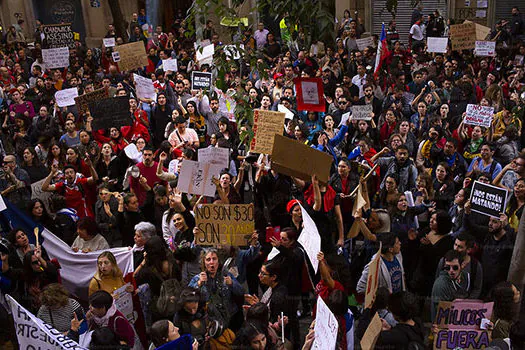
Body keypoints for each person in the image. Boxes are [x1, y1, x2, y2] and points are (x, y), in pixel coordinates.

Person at [189, 248, 244, 331]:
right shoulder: (198, 278)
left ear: (218, 261)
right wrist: (199, 284)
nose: (211, 262)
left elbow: (241, 292)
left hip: (230, 317)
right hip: (210, 320)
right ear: (204, 262)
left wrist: (232, 283)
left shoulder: (226, 275)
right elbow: (188, 297)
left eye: (214, 259)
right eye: (208, 259)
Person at [431, 250, 471, 321]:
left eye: (455, 267)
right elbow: (441, 313)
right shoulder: (441, 284)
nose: (451, 271)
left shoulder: (465, 277)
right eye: (447, 267)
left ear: (462, 265)